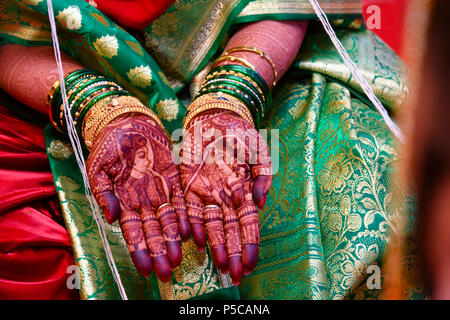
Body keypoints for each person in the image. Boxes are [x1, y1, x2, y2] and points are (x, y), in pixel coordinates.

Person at [0, 0, 409, 300]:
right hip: (46, 86)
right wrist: (97, 107)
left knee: (381, 192)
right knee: (25, 256)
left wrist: (233, 92)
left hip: (258, 53)